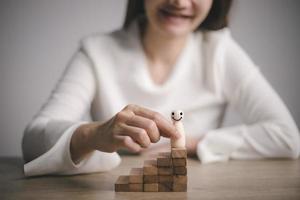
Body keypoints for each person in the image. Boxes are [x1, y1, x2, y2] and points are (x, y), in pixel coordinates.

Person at [22, 0, 300, 177]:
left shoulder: (220, 51)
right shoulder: (97, 51)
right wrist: (96, 134)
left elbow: (287, 138)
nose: (179, 2)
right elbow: (33, 142)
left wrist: (184, 143)